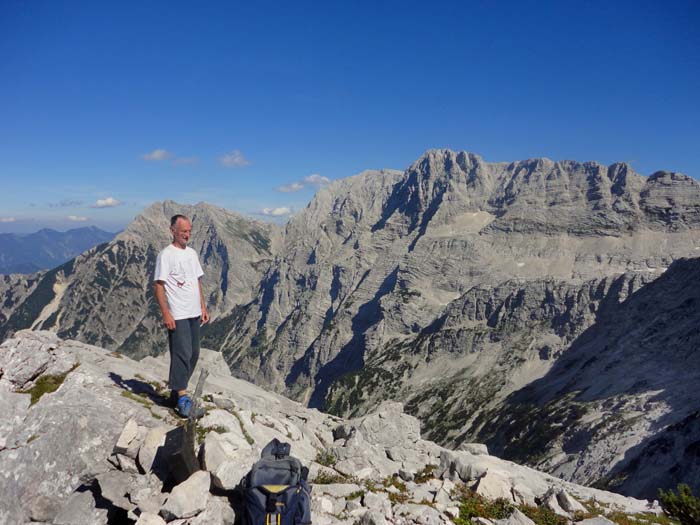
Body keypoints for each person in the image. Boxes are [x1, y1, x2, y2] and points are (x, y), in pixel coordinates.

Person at [153, 214, 209, 417]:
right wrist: (166, 313)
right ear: (172, 231)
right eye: (183, 231)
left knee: (193, 353)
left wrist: (203, 307)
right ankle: (183, 399)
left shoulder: (192, 254)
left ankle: (176, 393)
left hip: (194, 311)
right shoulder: (166, 255)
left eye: (189, 231)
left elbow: (197, 282)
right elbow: (158, 286)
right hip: (178, 313)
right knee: (182, 353)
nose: (187, 234)